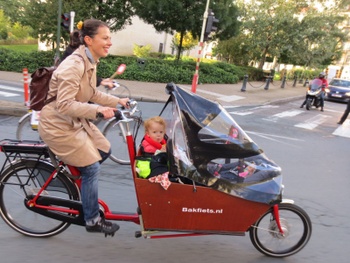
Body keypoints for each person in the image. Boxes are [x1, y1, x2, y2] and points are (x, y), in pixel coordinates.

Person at [38, 19, 129, 236]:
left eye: (110, 38)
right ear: (89, 40)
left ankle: (80, 190)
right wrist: (98, 111)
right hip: (58, 125)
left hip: (72, 121)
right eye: (105, 38)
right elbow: (64, 104)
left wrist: (118, 101)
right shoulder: (74, 64)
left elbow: (91, 94)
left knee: (104, 150)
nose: (109, 42)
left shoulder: (89, 61)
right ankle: (92, 220)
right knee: (92, 168)